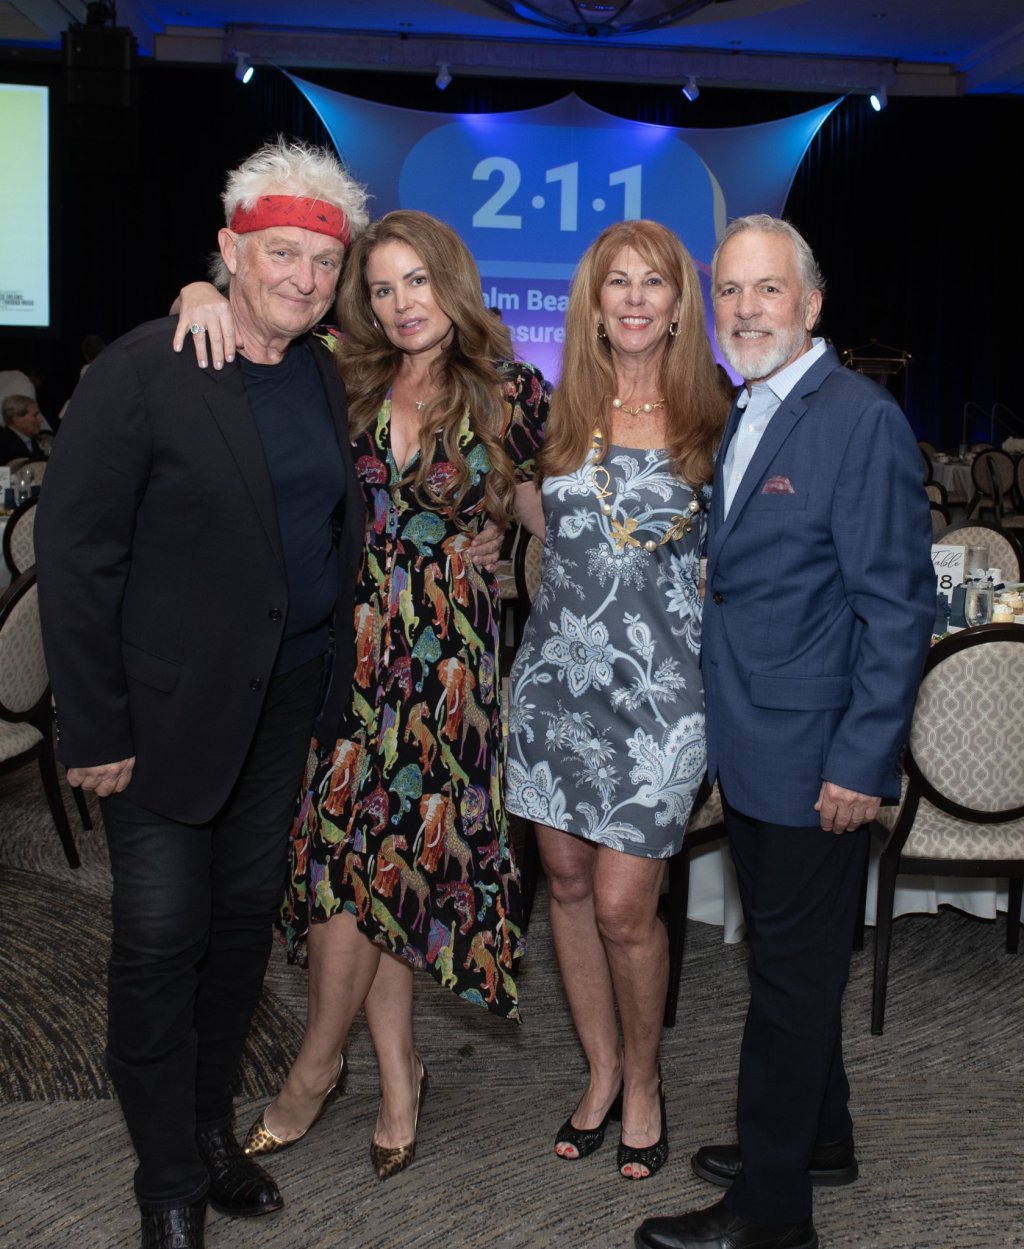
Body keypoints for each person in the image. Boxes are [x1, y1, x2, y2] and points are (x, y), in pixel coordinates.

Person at [35, 138, 369, 1249]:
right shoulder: (149, 365)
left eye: (323, 264)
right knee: (158, 937)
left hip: (281, 704)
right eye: (281, 255)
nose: (305, 282)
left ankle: (212, 1131)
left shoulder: (321, 371)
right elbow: (77, 558)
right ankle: (166, 1177)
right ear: (230, 251)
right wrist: (91, 724)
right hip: (159, 715)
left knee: (237, 931)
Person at [176, 209, 547, 1180]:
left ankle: (335, 1072)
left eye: (415, 282)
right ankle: (378, 1070)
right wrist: (199, 291)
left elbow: (561, 520)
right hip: (348, 651)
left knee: (395, 871)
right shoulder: (339, 374)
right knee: (345, 862)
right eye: (379, 288)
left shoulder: (513, 393)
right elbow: (251, 324)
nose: (399, 304)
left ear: (450, 281)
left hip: (450, 671)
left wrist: (511, 565)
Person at [635, 216, 934, 1249]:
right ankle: (817, 1141)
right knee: (791, 965)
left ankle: (770, 1214)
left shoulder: (859, 420)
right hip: (754, 746)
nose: (745, 310)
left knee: (788, 989)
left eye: (768, 291)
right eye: (729, 292)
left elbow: (896, 608)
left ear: (810, 304)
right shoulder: (745, 408)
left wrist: (862, 762)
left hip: (817, 763)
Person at [505, 220, 728, 1181]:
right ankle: (597, 1071)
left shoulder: (720, 417)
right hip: (555, 688)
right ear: (592, 304)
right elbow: (518, 502)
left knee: (627, 904)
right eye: (615, 283)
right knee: (561, 886)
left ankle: (645, 1078)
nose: (634, 298)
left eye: (654, 282)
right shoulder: (554, 415)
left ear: (680, 303)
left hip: (664, 701)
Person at [0, 393, 47, 461]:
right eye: (35, 415)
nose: (40, 420)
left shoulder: (37, 440)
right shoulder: (4, 447)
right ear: (17, 421)